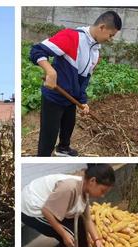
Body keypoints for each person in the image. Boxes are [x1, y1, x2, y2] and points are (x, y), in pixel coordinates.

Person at [30, 11, 122, 156]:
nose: (110, 39)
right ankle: (43, 156)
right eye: (111, 35)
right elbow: (37, 50)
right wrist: (50, 71)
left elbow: (84, 80)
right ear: (102, 27)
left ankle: (63, 149)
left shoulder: (95, 52)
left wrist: (83, 101)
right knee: (49, 134)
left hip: (70, 98)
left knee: (68, 126)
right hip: (55, 96)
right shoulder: (72, 37)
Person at [21, 163, 114, 247]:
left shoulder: (84, 188)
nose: (103, 195)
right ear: (93, 181)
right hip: (31, 208)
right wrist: (63, 234)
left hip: (47, 205)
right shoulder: (69, 188)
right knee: (70, 235)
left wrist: (96, 239)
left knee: (78, 222)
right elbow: (46, 211)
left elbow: (86, 218)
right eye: (102, 190)